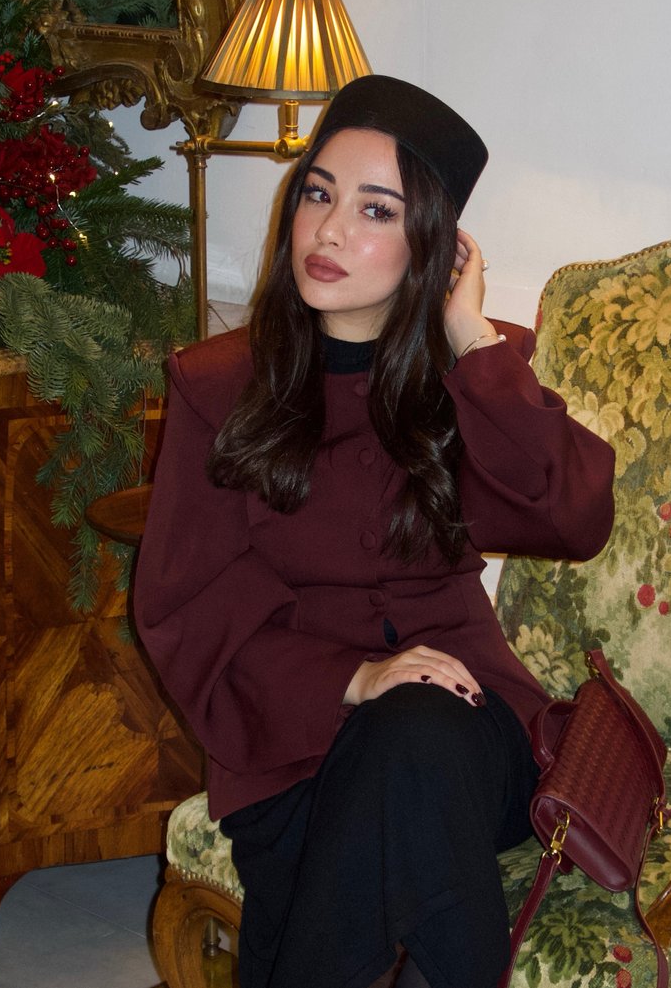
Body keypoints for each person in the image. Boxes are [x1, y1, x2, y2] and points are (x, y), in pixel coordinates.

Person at [134, 75, 615, 988]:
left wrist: (473, 339)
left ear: (429, 243)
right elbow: (183, 612)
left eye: (375, 209)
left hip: (470, 729)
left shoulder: (470, 372)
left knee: (416, 736)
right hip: (290, 737)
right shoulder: (216, 386)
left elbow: (574, 514)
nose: (328, 230)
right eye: (319, 192)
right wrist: (353, 677)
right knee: (398, 777)